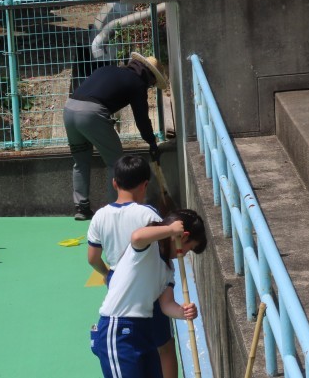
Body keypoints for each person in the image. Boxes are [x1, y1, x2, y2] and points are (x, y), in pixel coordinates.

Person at [87, 154, 180, 377]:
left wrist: (107, 274)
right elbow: (163, 250)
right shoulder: (148, 214)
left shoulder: (100, 216)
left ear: (114, 183)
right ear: (145, 185)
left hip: (121, 289)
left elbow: (92, 258)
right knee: (164, 345)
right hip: (150, 286)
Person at [90, 209, 207, 378]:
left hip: (143, 329)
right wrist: (170, 230)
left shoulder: (168, 269)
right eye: (189, 248)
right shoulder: (149, 246)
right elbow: (137, 237)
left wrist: (183, 312)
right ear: (183, 237)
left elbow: (166, 304)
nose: (185, 253)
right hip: (118, 328)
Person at [63, 52, 167, 220]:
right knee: (116, 162)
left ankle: (82, 207)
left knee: (80, 160)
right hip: (91, 114)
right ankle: (115, 209)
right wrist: (151, 142)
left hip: (69, 109)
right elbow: (141, 118)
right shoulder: (138, 83)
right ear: (149, 76)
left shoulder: (108, 70)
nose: (151, 86)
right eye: (153, 83)